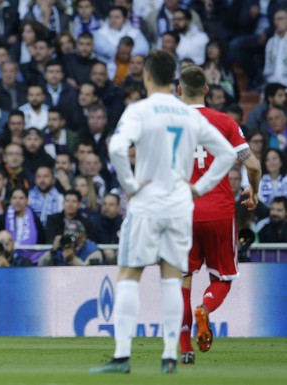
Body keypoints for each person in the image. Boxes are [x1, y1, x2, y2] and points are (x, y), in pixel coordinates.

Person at [89, 50, 236, 375]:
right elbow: (226, 155)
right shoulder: (190, 116)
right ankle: (170, 355)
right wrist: (199, 188)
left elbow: (115, 147)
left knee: (129, 274)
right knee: (172, 278)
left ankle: (122, 356)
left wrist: (129, 184)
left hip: (147, 204)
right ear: (174, 80)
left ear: (147, 77)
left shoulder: (139, 110)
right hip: (180, 206)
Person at [177, 65, 263, 364]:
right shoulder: (225, 122)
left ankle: (185, 349)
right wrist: (253, 192)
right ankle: (206, 309)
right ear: (206, 90)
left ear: (178, 91)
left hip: (182, 213)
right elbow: (252, 166)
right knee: (222, 277)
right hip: (219, 211)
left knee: (182, 282)